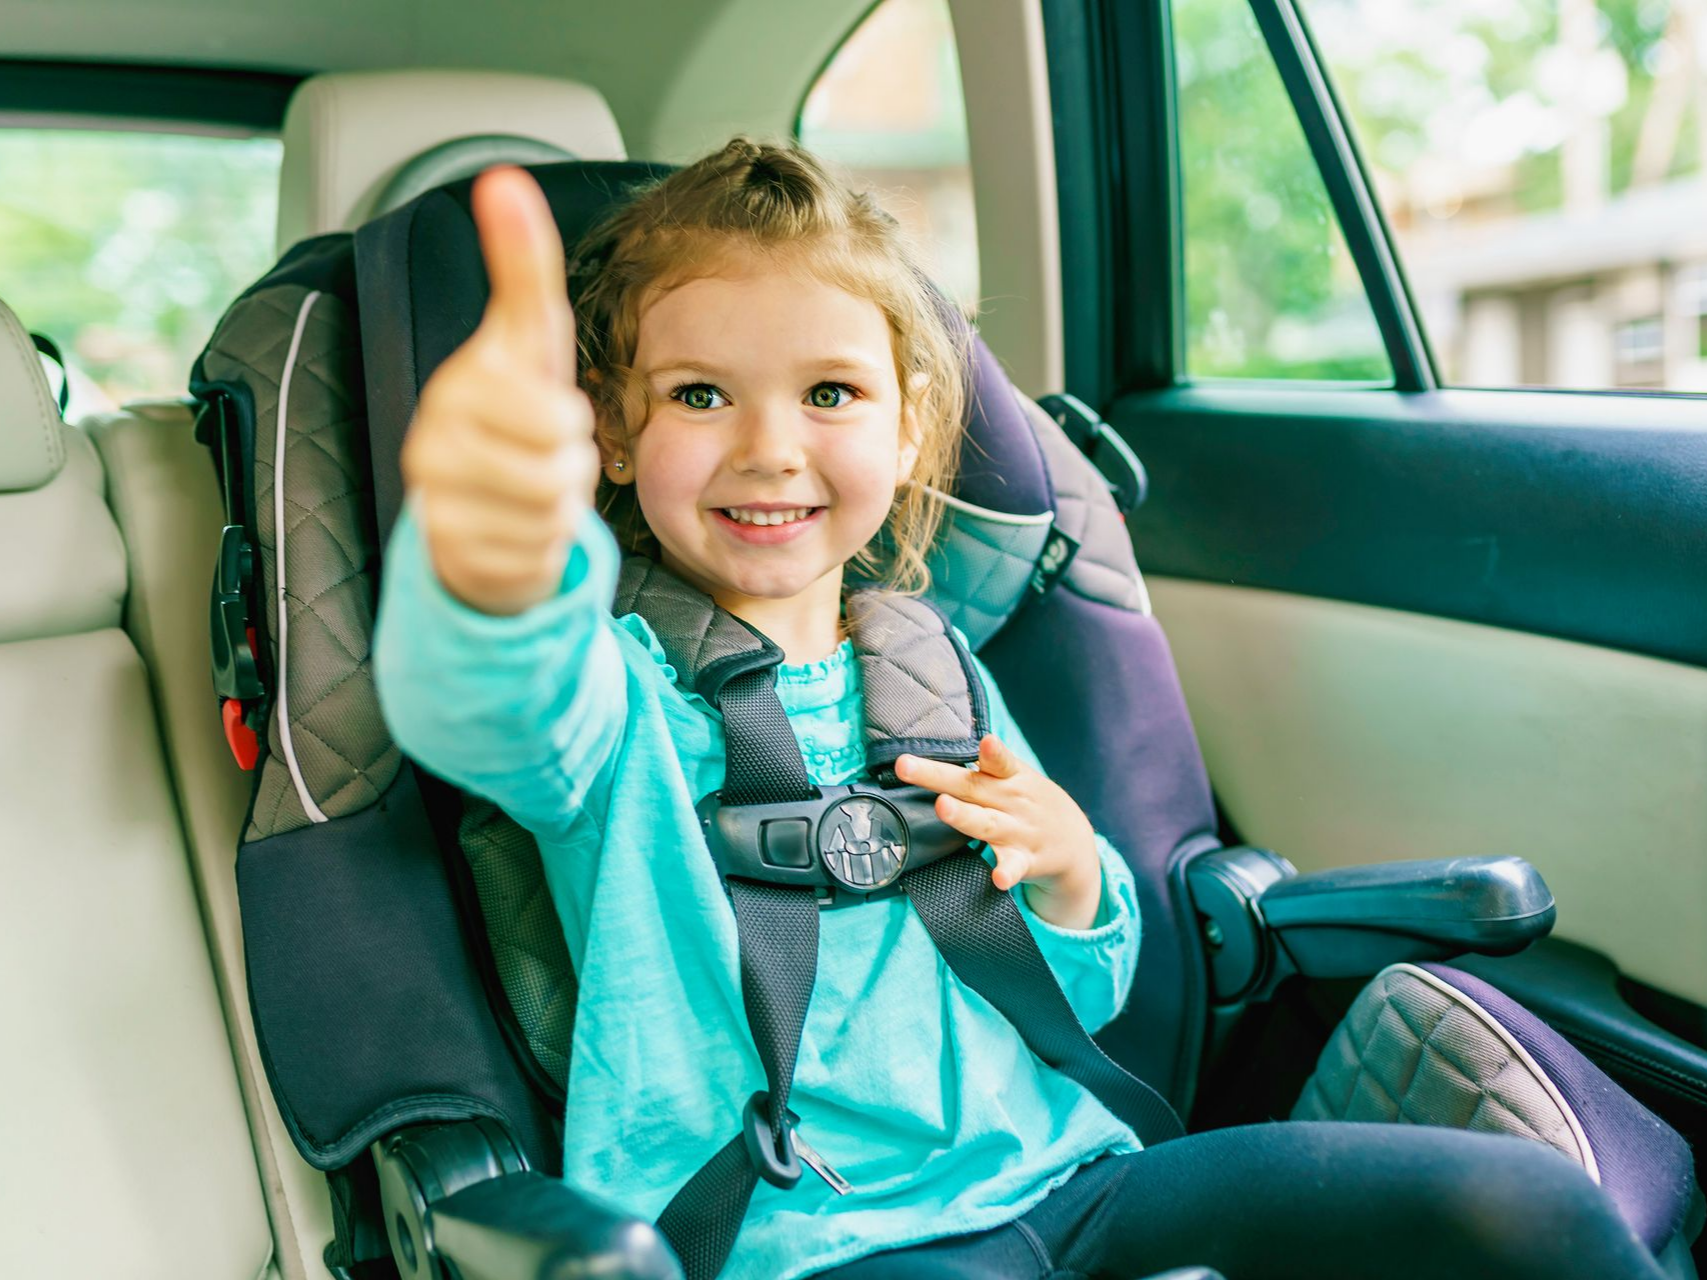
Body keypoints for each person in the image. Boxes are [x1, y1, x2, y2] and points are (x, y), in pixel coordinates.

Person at [372, 141, 1665, 1280]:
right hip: (803, 1240)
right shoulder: (616, 701)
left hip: (1075, 1184)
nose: (768, 445)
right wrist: (491, 560)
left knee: (1514, 1205)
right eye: (699, 395)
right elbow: (489, 701)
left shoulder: (932, 665)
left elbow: (1085, 989)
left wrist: (1063, 877)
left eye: (829, 393)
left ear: (908, 421)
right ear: (610, 433)